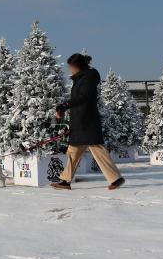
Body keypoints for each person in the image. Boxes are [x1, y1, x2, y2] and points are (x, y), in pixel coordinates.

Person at [50, 53, 125, 190]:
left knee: (97, 150)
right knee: (73, 151)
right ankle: (65, 181)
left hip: (88, 122)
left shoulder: (87, 79)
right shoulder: (81, 79)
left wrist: (65, 105)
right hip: (80, 121)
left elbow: (83, 98)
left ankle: (116, 179)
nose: (69, 70)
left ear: (77, 67)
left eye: (71, 67)